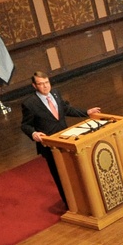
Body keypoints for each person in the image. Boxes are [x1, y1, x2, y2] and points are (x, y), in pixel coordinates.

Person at [20, 71, 101, 206]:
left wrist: (86, 112)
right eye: (41, 84)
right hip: (50, 146)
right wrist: (34, 134)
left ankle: (82, 198)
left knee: (74, 170)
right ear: (34, 86)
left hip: (67, 140)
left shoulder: (56, 93)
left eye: (47, 83)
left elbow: (66, 109)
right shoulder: (29, 103)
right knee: (60, 175)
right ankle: (70, 203)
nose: (45, 86)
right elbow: (25, 125)